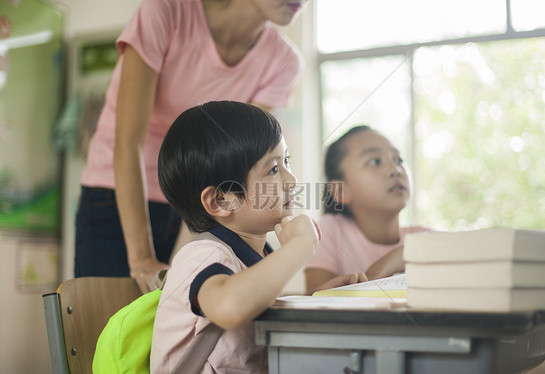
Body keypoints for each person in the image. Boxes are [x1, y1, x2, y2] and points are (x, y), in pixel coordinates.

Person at [74, 0, 307, 292]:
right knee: (105, 329)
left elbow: (228, 167)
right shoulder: (165, 12)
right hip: (118, 192)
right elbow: (129, 141)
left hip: (198, 200)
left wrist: (179, 271)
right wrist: (142, 259)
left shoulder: (283, 62)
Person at [153, 101, 353, 372]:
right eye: (273, 169)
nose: (292, 180)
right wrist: (301, 244)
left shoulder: (259, 254)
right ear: (222, 200)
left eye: (287, 162)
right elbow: (230, 307)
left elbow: (255, 309)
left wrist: (315, 299)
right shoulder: (201, 256)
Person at [305, 125, 429, 294]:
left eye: (399, 159)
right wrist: (373, 274)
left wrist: (404, 252)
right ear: (341, 191)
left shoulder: (423, 237)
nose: (395, 170)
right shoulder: (330, 230)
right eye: (375, 161)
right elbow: (314, 301)